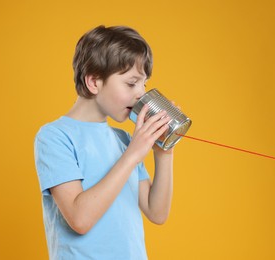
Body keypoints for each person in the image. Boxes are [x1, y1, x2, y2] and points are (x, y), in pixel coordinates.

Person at [34, 25, 174, 260]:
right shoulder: (55, 137)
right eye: (131, 83)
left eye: (144, 84)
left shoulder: (124, 140)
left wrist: (163, 152)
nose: (141, 93)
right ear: (94, 82)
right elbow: (80, 219)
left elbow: (156, 212)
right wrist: (132, 155)